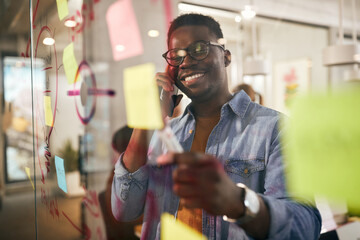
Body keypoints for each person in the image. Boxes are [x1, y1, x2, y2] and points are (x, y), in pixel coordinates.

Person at [111, 13, 321, 239]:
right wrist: (146, 119)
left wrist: (238, 202)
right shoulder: (167, 134)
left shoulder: (276, 128)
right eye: (176, 56)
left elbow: (305, 226)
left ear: (226, 57)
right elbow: (124, 209)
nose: (187, 62)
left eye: (199, 49)